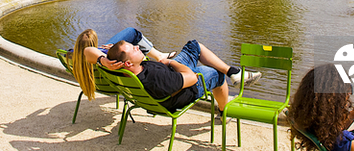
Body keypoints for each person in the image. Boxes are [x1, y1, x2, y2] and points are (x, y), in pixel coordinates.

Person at [106, 39, 261, 116]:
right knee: (216, 73)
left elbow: (90, 51)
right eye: (133, 48)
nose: (137, 46)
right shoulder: (156, 78)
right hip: (186, 85)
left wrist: (105, 58)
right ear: (127, 63)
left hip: (170, 74)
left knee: (194, 45)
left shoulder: (122, 71)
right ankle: (223, 111)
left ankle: (233, 72)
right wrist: (171, 62)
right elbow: (192, 78)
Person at [71, 28, 174, 100]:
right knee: (132, 32)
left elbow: (84, 51)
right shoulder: (110, 62)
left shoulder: (71, 57)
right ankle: (159, 56)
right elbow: (88, 50)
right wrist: (106, 53)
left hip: (106, 84)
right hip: (116, 85)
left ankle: (159, 56)